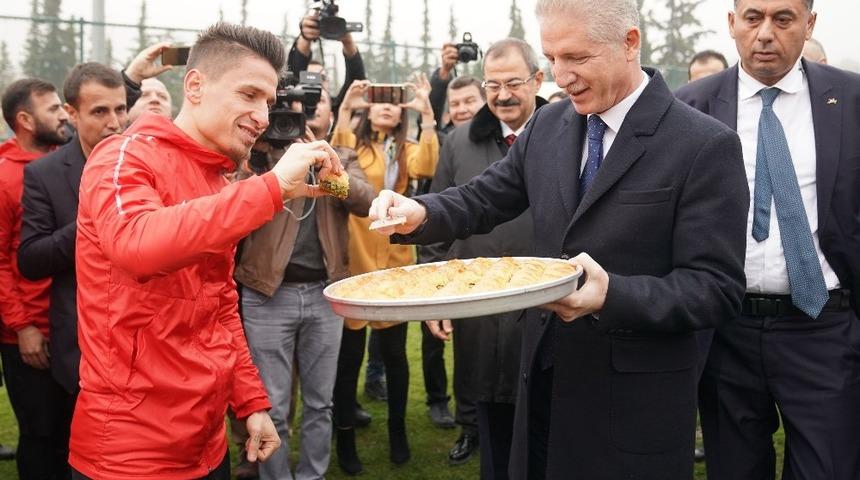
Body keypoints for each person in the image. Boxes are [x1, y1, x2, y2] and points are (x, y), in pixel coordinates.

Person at [368, 0, 750, 478]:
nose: (561, 75)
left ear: (630, 42)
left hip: (631, 406)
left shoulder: (702, 144)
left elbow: (716, 288)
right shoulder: (549, 124)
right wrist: (421, 210)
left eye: (577, 58)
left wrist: (611, 294)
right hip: (543, 382)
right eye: (551, 58)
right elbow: (486, 197)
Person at [68, 22, 345, 479]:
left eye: (269, 103)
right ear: (194, 86)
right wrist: (270, 187)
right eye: (248, 95)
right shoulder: (123, 156)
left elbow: (217, 307)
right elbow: (137, 244)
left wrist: (251, 401)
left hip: (206, 443)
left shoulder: (218, 180)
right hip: (129, 453)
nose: (261, 115)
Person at [675, 1, 860, 479]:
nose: (764, 33)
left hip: (823, 329)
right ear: (732, 22)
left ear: (809, 24)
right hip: (727, 331)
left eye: (783, 19)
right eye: (753, 17)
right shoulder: (689, 106)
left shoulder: (852, 100)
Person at [233, 86, 375, 480]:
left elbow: (365, 201)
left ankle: (312, 475)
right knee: (273, 405)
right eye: (285, 111)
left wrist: (331, 174)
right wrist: (258, 158)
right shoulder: (258, 158)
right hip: (267, 294)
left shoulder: (340, 157)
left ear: (329, 113)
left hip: (324, 294)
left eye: (310, 109)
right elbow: (226, 200)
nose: (296, 119)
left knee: (320, 402)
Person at [423, 37, 545, 477]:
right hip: (477, 296)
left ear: (537, 79)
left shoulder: (565, 133)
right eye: (493, 85)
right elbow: (438, 213)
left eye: (513, 82)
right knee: (484, 395)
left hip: (543, 300)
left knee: (541, 409)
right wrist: (434, 296)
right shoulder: (458, 142)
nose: (503, 95)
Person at [330, 77, 439, 475]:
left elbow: (428, 166)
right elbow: (335, 165)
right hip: (356, 262)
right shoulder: (356, 147)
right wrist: (346, 108)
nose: (387, 107)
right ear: (368, 109)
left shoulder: (408, 149)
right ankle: (343, 436)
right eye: (379, 101)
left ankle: (397, 431)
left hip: (395, 264)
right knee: (349, 358)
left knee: (395, 356)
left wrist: (426, 114)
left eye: (395, 102)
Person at [0, 77, 71, 476]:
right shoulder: (6, 176)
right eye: (54, 109)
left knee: (71, 433)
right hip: (29, 336)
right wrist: (22, 325)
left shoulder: (61, 163)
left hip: (69, 325)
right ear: (25, 119)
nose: (64, 115)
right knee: (41, 436)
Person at [289, 12, 366, 115]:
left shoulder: (340, 117)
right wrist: (305, 37)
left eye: (322, 78)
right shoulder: (286, 106)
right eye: (308, 76)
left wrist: (348, 41)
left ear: (331, 114)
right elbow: (292, 74)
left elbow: (356, 85)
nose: (315, 82)